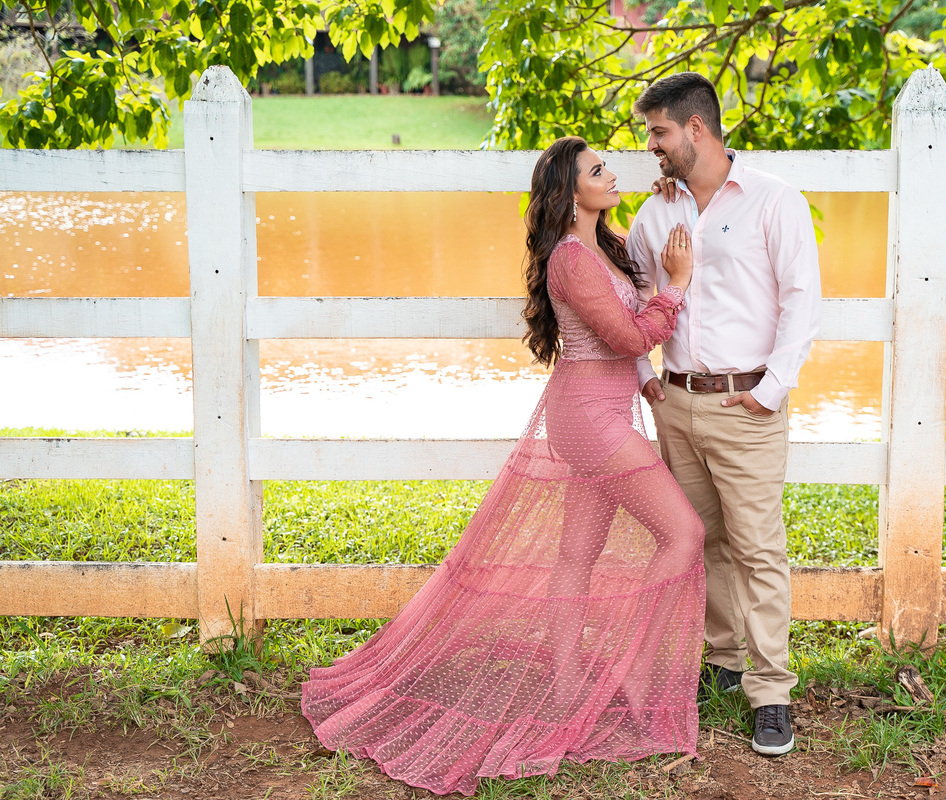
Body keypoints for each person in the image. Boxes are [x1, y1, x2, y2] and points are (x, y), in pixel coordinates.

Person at [301, 136, 707, 796]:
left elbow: (633, 306)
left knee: (578, 555)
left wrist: (672, 202)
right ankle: (629, 671)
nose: (612, 174)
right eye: (597, 170)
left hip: (599, 411)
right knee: (685, 535)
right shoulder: (571, 259)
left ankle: (572, 681)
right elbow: (630, 335)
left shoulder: (605, 246)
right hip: (589, 419)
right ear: (571, 193)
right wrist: (679, 287)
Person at [625, 72, 822, 757]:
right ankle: (725, 661)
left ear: (695, 129)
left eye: (658, 132)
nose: (651, 145)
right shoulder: (654, 214)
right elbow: (639, 299)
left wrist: (771, 388)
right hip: (676, 404)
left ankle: (771, 693)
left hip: (746, 404)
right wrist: (648, 377)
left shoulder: (774, 199)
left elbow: (802, 300)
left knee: (759, 548)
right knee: (701, 541)